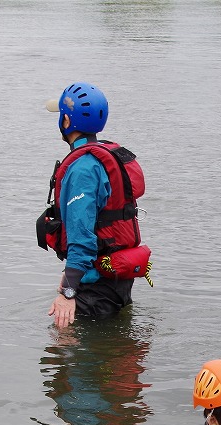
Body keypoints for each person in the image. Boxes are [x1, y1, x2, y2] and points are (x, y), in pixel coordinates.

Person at [37, 82, 152, 329]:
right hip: (115, 278)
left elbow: (82, 234)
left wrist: (68, 292)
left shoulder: (82, 170)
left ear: (67, 122)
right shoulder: (102, 156)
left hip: (96, 287)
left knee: (63, 350)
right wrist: (70, 277)